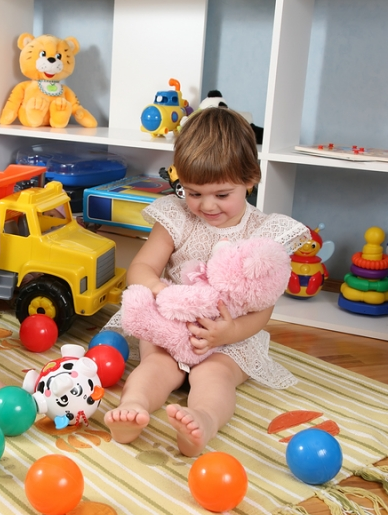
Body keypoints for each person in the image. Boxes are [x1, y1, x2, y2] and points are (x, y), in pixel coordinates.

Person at [104, 107, 310, 457]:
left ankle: (204, 420)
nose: (207, 205)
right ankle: (133, 407)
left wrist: (229, 333)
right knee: (156, 366)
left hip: (230, 336)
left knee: (215, 377)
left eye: (222, 194)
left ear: (250, 180)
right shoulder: (176, 217)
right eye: (194, 193)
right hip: (173, 326)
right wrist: (159, 290)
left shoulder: (262, 233)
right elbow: (141, 268)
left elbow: (264, 307)